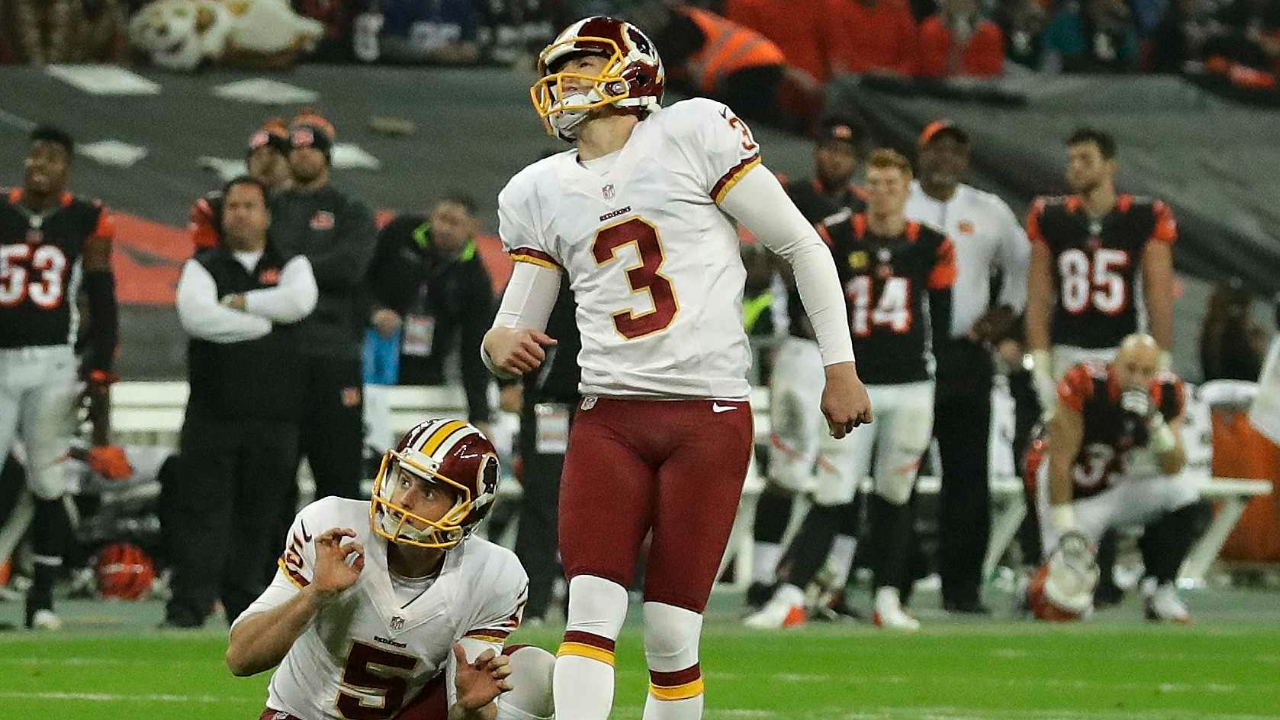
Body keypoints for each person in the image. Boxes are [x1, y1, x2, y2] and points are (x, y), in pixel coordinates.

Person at [483, 16, 871, 720]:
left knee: (670, 633)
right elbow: (514, 324)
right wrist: (496, 345)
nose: (563, 82)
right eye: (560, 69)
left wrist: (839, 368)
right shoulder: (539, 189)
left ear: (631, 73)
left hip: (709, 414)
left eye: (581, 66)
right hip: (610, 416)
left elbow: (803, 247)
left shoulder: (691, 132)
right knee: (589, 609)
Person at [746, 149, 956, 632]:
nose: (882, 193)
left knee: (895, 494)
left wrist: (935, 375)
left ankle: (887, 597)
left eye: (892, 183)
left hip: (909, 381)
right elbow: (808, 285)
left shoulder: (932, 244)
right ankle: (792, 594)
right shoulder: (838, 235)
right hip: (856, 381)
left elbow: (939, 322)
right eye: (876, 183)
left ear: (908, 188)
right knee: (834, 490)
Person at [225, 419, 556, 720]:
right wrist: (315, 595)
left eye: (428, 491)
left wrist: (471, 709)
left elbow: (463, 712)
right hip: (302, 715)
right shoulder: (331, 528)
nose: (404, 499)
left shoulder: (493, 576)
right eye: (404, 479)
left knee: (536, 674)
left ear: (466, 511)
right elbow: (240, 658)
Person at [165, 176, 318, 629]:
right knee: (202, 515)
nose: (240, 214)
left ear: (267, 214)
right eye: (232, 206)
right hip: (212, 416)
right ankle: (188, 605)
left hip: (275, 417)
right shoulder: (203, 265)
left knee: (263, 517)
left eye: (250, 205)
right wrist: (260, 323)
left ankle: (251, 610)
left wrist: (239, 303)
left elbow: (299, 302)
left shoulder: (291, 263)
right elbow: (197, 317)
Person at [905, 119, 1030, 613]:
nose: (947, 159)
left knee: (967, 476)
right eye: (937, 149)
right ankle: (895, 576)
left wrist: (1009, 311)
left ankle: (963, 587)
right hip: (909, 349)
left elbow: (1024, 262)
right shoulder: (902, 200)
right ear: (922, 153)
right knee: (901, 469)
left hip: (964, 353)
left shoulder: (988, 209)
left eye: (956, 151)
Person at [0, 125, 118, 630]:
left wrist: (99, 367)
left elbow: (102, 293)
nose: (39, 164)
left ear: (67, 167)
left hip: (53, 362)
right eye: (34, 154)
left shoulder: (85, 218)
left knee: (49, 480)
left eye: (51, 156)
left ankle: (41, 599)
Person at [1025, 334, 1204, 623]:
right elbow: (1059, 462)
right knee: (1065, 603)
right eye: (1130, 368)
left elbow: (1174, 466)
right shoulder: (1086, 384)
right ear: (1115, 365)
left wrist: (1154, 424)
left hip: (1117, 487)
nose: (1137, 378)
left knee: (1183, 493)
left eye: (1147, 372)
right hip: (1074, 495)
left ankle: (1160, 588)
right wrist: (1066, 526)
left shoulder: (1168, 391)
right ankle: (1039, 577)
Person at [1025, 127, 1177, 417]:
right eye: (1071, 160)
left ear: (1110, 166)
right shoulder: (1049, 216)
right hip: (1066, 348)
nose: (1076, 167)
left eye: (1085, 159)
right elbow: (1038, 298)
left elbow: (1159, 296)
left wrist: (1162, 359)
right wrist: (1041, 364)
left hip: (1122, 351)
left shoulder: (1144, 216)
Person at [270, 109, 378, 502]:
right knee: (274, 479)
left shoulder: (351, 210)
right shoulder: (271, 208)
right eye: (294, 149)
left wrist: (292, 269)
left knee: (339, 476)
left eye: (311, 148)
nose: (302, 156)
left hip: (336, 355)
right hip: (281, 355)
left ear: (327, 156)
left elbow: (351, 268)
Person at [366, 194, 497, 430]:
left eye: (454, 223)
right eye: (441, 218)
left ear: (473, 228)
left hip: (426, 363)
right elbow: (361, 278)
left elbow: (473, 348)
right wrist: (374, 311)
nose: (444, 228)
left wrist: (480, 416)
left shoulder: (474, 279)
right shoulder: (399, 235)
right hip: (374, 348)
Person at [510, 281, 581, 625]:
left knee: (591, 505)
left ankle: (580, 606)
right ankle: (531, 602)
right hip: (547, 402)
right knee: (542, 498)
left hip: (593, 401)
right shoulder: (549, 275)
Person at [189, 118, 293, 253]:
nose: (265, 162)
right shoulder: (218, 206)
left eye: (273, 154)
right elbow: (205, 260)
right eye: (258, 155)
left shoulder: (305, 205)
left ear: (290, 162)